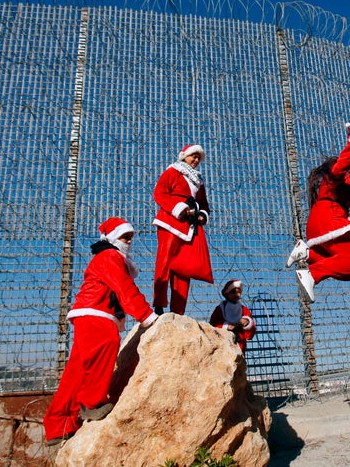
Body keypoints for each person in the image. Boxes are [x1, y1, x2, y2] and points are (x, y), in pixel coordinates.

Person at [43, 217, 158, 446]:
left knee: (77, 370)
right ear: (114, 237)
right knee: (105, 346)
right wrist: (146, 316)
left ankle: (59, 425)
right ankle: (91, 402)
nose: (129, 241)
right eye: (126, 237)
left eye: (131, 237)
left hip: (89, 314)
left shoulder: (108, 257)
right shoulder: (110, 256)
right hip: (96, 313)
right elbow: (124, 288)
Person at [286, 124, 350, 302]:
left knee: (347, 271)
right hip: (327, 221)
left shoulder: (344, 186)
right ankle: (311, 274)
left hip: (320, 222)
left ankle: (306, 252)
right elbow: (341, 164)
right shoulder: (338, 174)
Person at [152, 143, 213, 316]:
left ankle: (178, 311)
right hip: (170, 222)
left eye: (198, 158)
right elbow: (160, 193)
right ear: (184, 155)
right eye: (193, 156)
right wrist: (179, 208)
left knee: (184, 268)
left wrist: (202, 214)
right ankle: (159, 304)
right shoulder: (173, 171)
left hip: (189, 226)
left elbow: (204, 204)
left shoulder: (198, 181)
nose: (195, 160)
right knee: (164, 262)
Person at [209, 279, 256, 354]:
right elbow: (212, 326)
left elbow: (250, 333)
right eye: (233, 292)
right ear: (227, 293)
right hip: (222, 345)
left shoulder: (244, 310)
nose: (237, 295)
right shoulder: (220, 309)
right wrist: (226, 326)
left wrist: (247, 323)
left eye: (239, 292)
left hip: (239, 346)